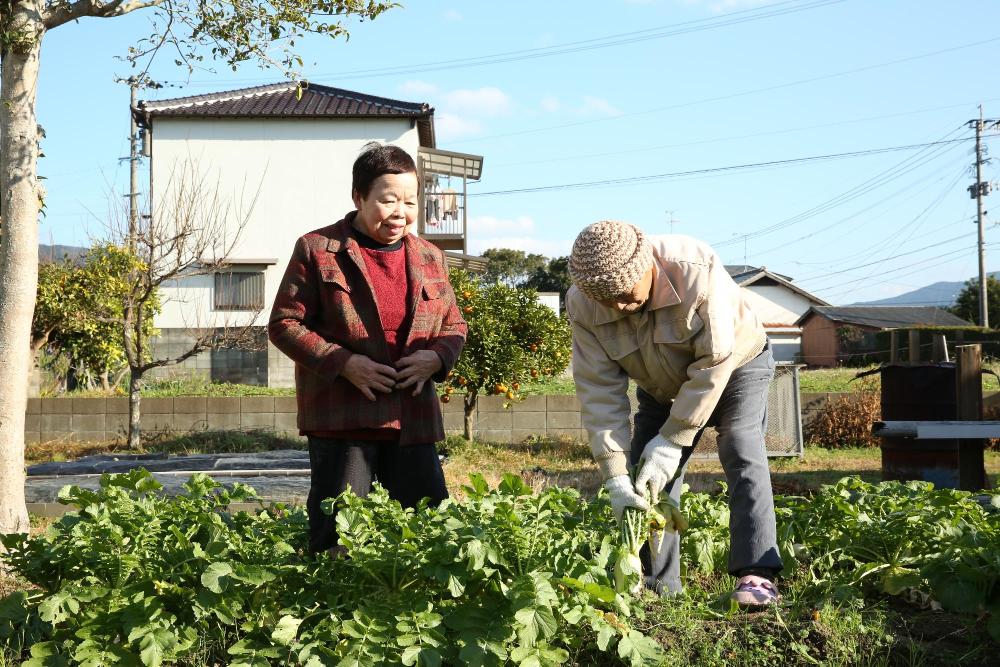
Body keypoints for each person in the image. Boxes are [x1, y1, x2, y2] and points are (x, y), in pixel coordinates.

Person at [566, 220, 782, 606]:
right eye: (607, 300)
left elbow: (715, 360)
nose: (618, 307)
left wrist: (675, 438)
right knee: (645, 475)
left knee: (740, 443)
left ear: (647, 266)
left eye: (625, 296)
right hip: (660, 386)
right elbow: (599, 391)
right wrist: (614, 474)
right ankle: (657, 584)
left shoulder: (695, 269)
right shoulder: (582, 304)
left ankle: (757, 574)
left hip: (736, 365)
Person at [268, 143, 467, 554]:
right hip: (345, 421)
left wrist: (438, 357)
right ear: (359, 197)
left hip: (412, 418)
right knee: (338, 537)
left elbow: (454, 323)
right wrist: (344, 363)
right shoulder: (318, 249)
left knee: (430, 535)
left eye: (410, 202)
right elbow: (285, 323)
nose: (400, 212)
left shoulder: (431, 256)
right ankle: (330, 615)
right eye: (388, 200)